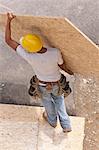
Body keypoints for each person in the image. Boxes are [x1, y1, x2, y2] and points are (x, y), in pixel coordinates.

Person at [5, 12, 74, 132]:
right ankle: (66, 125)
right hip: (57, 84)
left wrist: (9, 21)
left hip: (42, 85)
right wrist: (70, 71)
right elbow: (62, 65)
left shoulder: (29, 56)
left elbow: (8, 40)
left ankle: (52, 121)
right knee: (59, 102)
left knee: (47, 103)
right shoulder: (54, 52)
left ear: (28, 49)